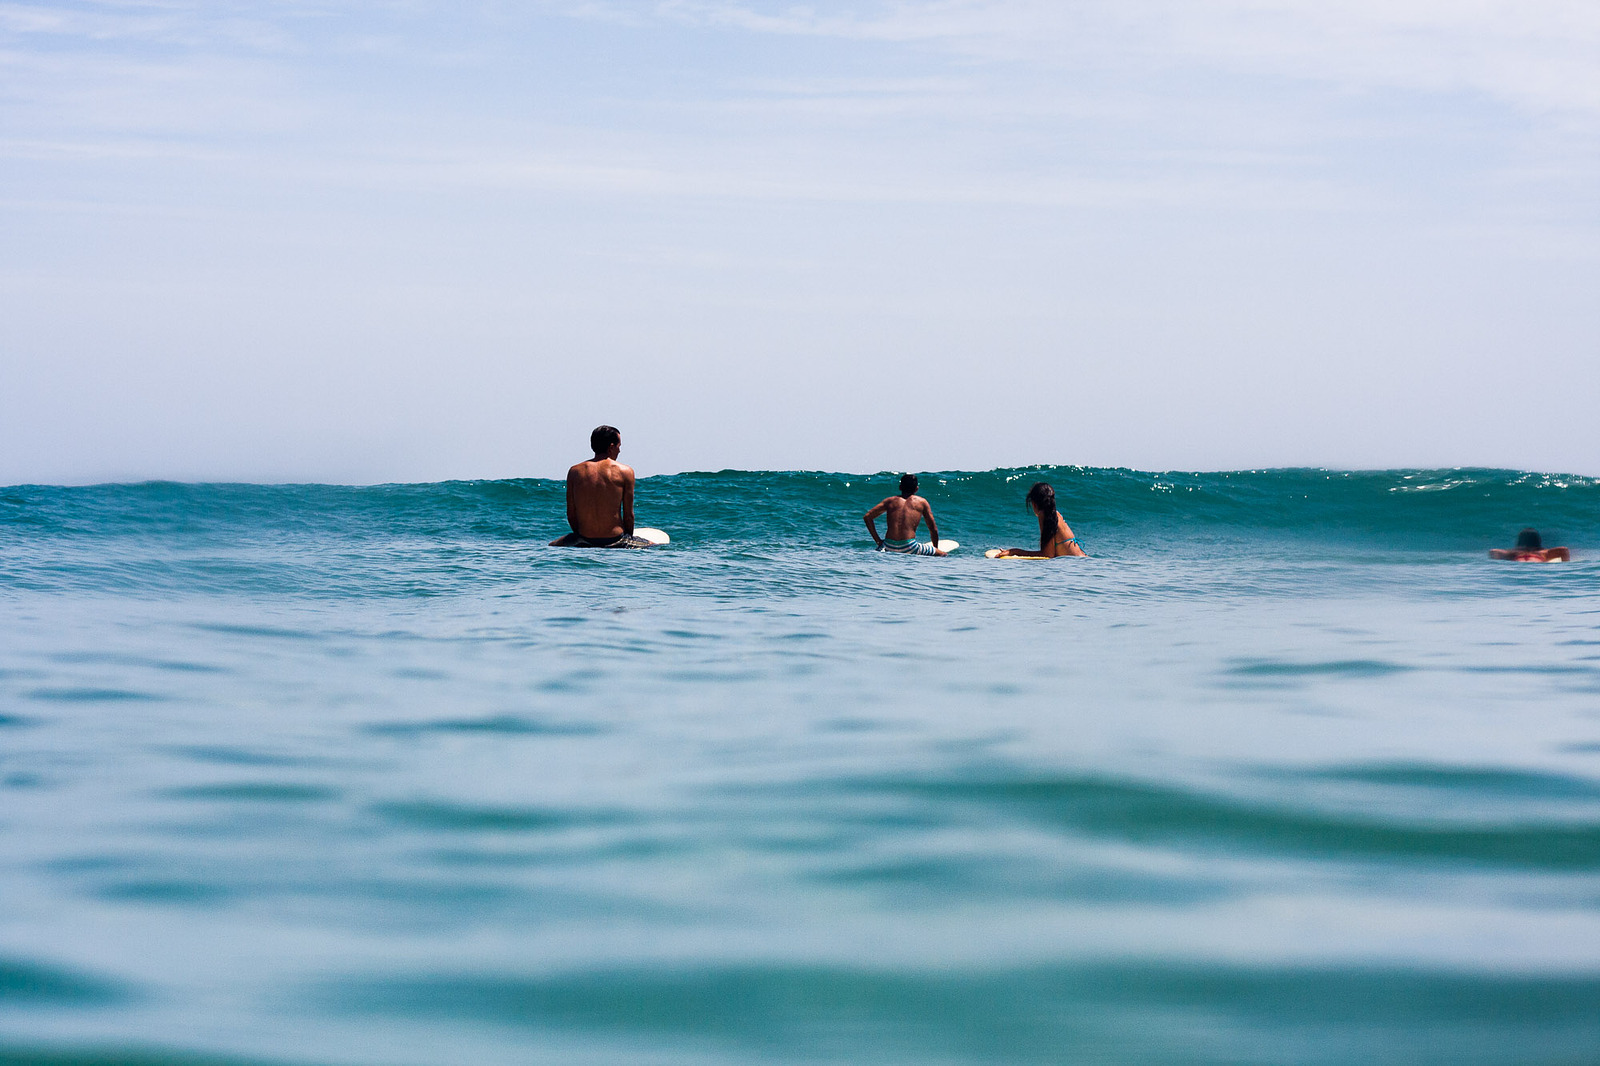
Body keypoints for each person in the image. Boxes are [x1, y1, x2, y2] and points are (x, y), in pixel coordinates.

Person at [549, 425, 655, 548]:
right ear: (611, 447)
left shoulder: (575, 471)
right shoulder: (625, 471)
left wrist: (579, 536)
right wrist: (628, 538)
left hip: (584, 539)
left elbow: (571, 513)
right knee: (653, 545)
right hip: (616, 539)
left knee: (552, 544)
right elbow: (628, 516)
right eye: (619, 446)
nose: (619, 451)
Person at [990, 482, 1088, 558]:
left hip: (1077, 567)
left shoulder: (1045, 516)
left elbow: (1047, 555)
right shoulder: (1056, 515)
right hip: (1083, 562)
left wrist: (1014, 552)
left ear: (1034, 504)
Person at [865, 474, 946, 556]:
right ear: (916, 489)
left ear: (900, 487)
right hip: (909, 546)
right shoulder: (922, 502)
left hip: (888, 546)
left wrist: (878, 541)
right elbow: (933, 529)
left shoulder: (889, 501)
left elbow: (867, 517)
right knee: (943, 554)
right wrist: (936, 549)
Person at [1490, 528, 1569, 563]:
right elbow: (1564, 549)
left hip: (1518, 561)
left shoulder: (1513, 553)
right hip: (1535, 561)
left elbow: (1493, 551)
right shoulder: (1542, 552)